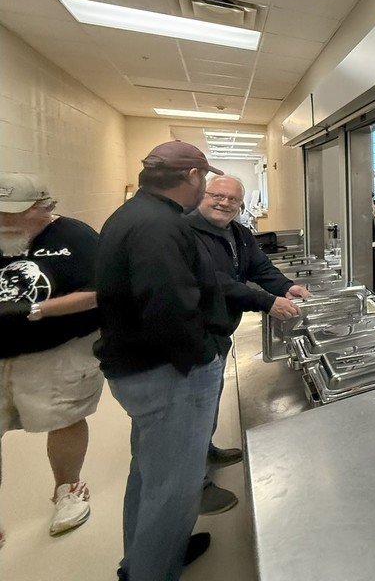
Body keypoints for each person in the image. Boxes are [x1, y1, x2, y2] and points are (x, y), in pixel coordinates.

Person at [95, 141, 232, 579]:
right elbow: (168, 306)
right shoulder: (160, 225)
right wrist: (204, 356)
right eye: (204, 178)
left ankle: (143, 561)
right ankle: (152, 571)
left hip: (141, 368)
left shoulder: (133, 215)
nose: (205, 186)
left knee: (149, 476)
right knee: (173, 488)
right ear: (192, 176)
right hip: (170, 374)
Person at [185, 175, 310, 515]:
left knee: (208, 400)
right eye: (217, 195)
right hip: (193, 333)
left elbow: (259, 266)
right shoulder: (186, 232)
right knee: (191, 411)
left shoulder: (238, 233)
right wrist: (266, 301)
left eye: (233, 200)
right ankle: (194, 487)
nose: (224, 203)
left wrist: (285, 286)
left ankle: (206, 451)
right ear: (202, 195)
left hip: (219, 329)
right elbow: (214, 283)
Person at [0, 174, 103, 544]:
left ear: (42, 207)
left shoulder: (75, 237)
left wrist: (36, 310)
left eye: (12, 214)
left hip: (57, 350)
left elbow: (100, 291)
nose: (3, 221)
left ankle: (68, 488)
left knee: (64, 418)